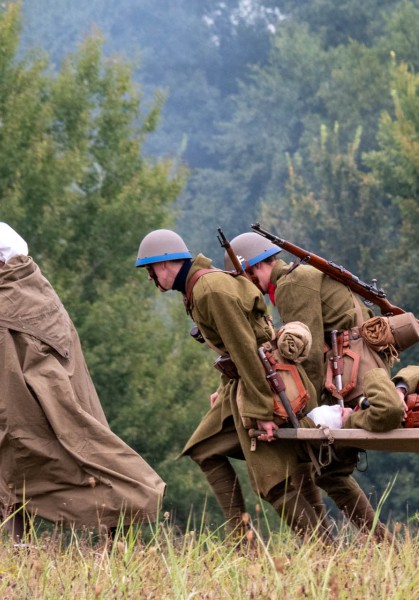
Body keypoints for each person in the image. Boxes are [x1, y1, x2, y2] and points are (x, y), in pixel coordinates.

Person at [0, 221, 164, 540]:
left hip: (25, 407)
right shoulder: (40, 289)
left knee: (12, 468)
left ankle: (21, 549)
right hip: (65, 398)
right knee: (92, 459)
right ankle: (113, 544)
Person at [135, 229, 330, 544]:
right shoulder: (199, 288)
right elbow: (235, 349)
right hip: (248, 380)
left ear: (166, 263)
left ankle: (326, 550)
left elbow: (246, 350)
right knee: (204, 449)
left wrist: (262, 411)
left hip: (267, 381)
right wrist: (224, 387)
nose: (150, 277)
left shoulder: (209, 290)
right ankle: (242, 542)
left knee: (272, 484)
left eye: (150, 269)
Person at [229, 232, 396, 541]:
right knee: (329, 471)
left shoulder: (291, 284)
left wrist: (303, 411)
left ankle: (374, 544)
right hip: (360, 376)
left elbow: (307, 356)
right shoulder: (297, 277)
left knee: (327, 469)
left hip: (353, 382)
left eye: (245, 277)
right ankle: (375, 544)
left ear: (254, 268)